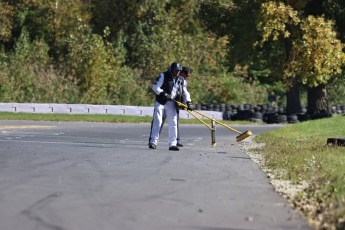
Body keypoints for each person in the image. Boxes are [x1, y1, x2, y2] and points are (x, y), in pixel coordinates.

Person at [148, 62, 194, 151]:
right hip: (161, 101)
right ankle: (153, 142)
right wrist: (163, 93)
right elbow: (155, 87)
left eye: (179, 71)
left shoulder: (181, 80)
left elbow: (185, 93)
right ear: (172, 70)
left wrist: (188, 102)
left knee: (173, 122)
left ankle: (173, 144)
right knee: (157, 120)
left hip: (172, 103)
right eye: (176, 70)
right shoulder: (163, 75)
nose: (177, 73)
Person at [159, 66, 193, 147]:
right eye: (186, 75)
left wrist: (187, 103)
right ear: (182, 73)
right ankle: (155, 139)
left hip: (174, 104)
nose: (187, 77)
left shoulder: (183, 81)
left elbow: (184, 93)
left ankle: (176, 141)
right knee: (160, 121)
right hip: (164, 102)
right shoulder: (171, 78)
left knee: (175, 122)